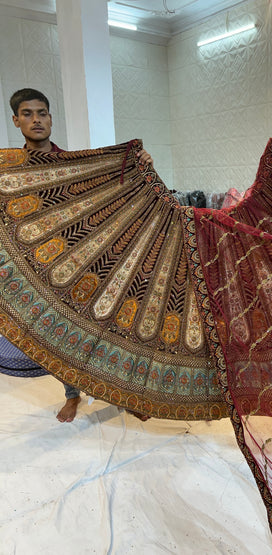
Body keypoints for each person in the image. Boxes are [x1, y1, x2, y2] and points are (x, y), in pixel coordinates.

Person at [8, 87, 153, 422]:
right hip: (41, 269)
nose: (37, 120)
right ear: (16, 121)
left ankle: (123, 393)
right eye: (27, 114)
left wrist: (139, 164)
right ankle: (72, 394)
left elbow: (109, 188)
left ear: (51, 117)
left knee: (109, 328)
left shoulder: (74, 166)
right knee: (60, 337)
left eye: (42, 113)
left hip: (87, 263)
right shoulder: (12, 172)